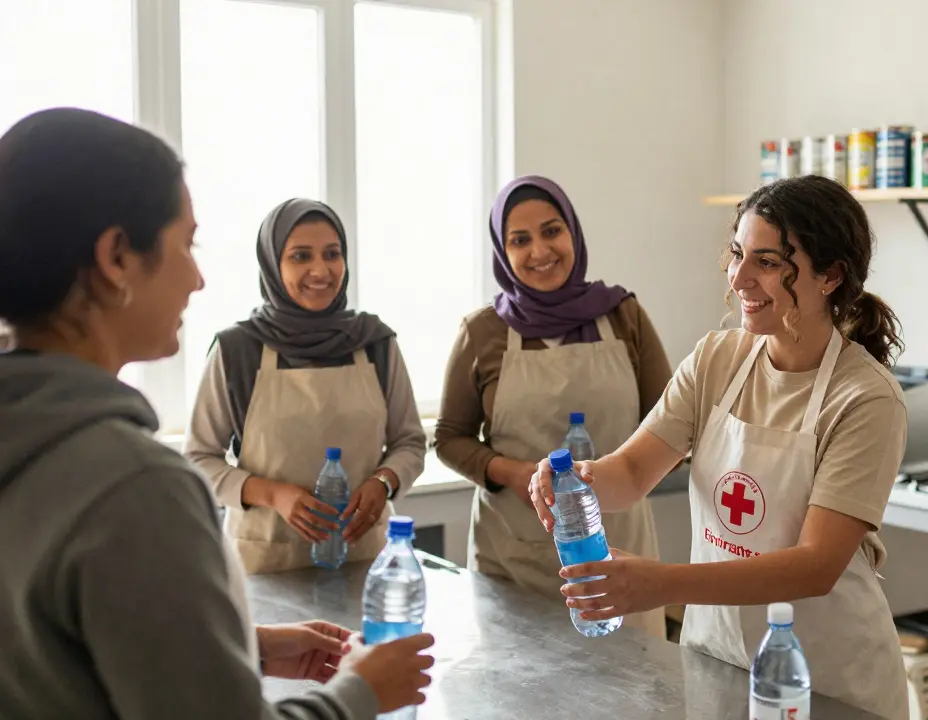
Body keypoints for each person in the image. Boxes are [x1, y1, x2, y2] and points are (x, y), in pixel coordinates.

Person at [0, 107, 434, 718]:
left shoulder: (27, 442)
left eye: (331, 253)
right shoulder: (139, 488)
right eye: (187, 243)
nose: (198, 279)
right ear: (116, 258)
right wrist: (360, 693)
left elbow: (67, 656)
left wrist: (241, 649)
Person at [528, 174, 912, 718]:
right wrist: (574, 478)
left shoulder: (865, 398)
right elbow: (634, 471)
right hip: (718, 663)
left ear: (830, 275)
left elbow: (814, 566)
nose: (739, 278)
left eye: (768, 262)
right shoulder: (717, 359)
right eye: (736, 254)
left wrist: (659, 584)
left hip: (826, 679)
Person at [435, 175, 669, 638]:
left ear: (573, 232)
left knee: (632, 697)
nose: (540, 251)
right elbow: (448, 438)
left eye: (551, 230)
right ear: (503, 252)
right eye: (519, 240)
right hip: (517, 557)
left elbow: (671, 422)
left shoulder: (623, 315)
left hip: (620, 551)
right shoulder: (482, 332)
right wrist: (512, 472)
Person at [186, 198, 426, 574]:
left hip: (364, 558)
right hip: (265, 561)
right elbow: (198, 459)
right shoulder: (238, 350)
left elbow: (409, 442)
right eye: (300, 256)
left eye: (332, 254)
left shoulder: (376, 342)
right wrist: (273, 494)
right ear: (272, 264)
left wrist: (383, 482)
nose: (320, 270)